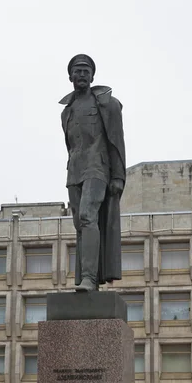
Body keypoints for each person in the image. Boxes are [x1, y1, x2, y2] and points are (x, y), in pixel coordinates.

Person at [59, 54, 126, 292]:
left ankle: (88, 278)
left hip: (98, 168)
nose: (82, 75)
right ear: (70, 76)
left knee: (88, 216)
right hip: (74, 172)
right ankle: (90, 280)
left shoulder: (107, 104)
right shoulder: (66, 111)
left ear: (92, 76)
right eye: (77, 71)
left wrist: (118, 175)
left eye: (86, 71)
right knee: (80, 224)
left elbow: (116, 141)